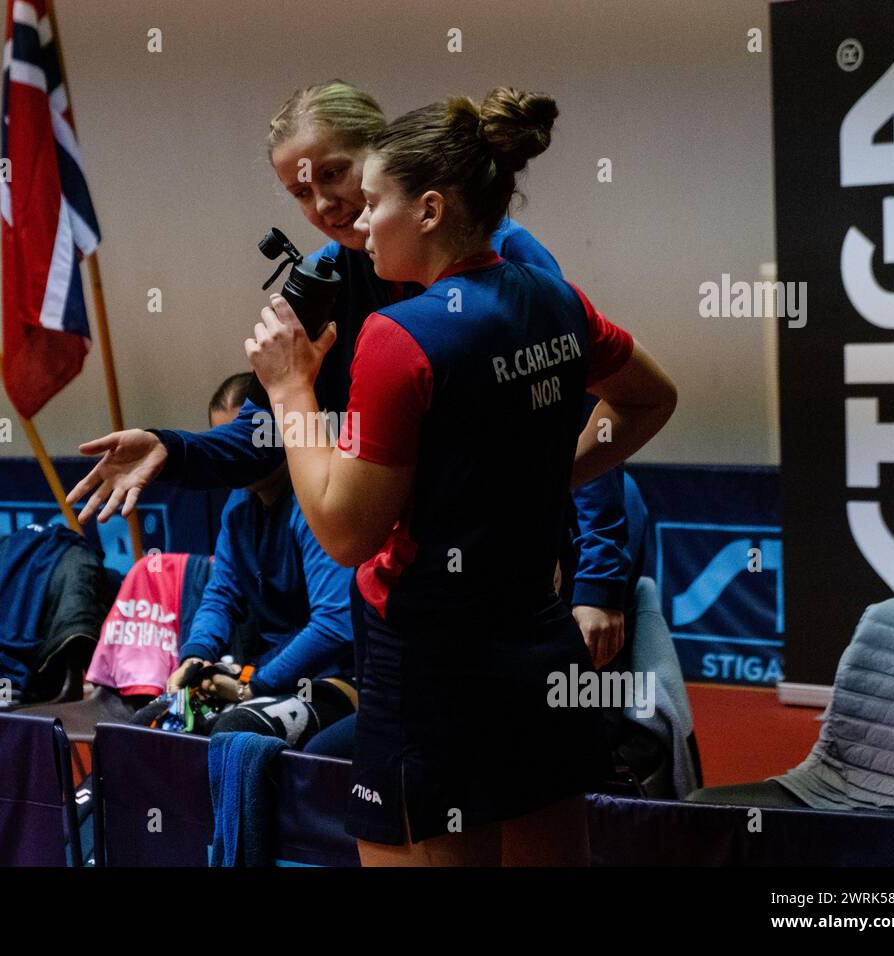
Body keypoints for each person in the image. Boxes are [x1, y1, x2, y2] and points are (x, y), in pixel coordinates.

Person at [243, 87, 677, 866]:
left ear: (433, 211)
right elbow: (650, 398)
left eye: (375, 203)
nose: (359, 222)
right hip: (537, 641)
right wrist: (547, 482)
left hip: (429, 665)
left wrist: (289, 390)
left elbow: (345, 532)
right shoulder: (556, 298)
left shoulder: (396, 338)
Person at [65, 80, 631, 673]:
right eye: (300, 193)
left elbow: (579, 407)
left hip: (525, 580)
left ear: (380, 157)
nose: (323, 205)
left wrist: (599, 580)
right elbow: (262, 440)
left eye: (333, 175)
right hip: (408, 596)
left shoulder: (510, 261)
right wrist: (170, 447)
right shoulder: (322, 280)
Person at [162, 372, 357, 749]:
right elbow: (221, 596)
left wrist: (255, 684)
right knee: (161, 720)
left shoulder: (316, 501)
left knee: (234, 729)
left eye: (244, 441)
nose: (235, 457)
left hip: (338, 679)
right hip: (260, 674)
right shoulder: (237, 507)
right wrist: (197, 655)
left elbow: (335, 625)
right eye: (225, 444)